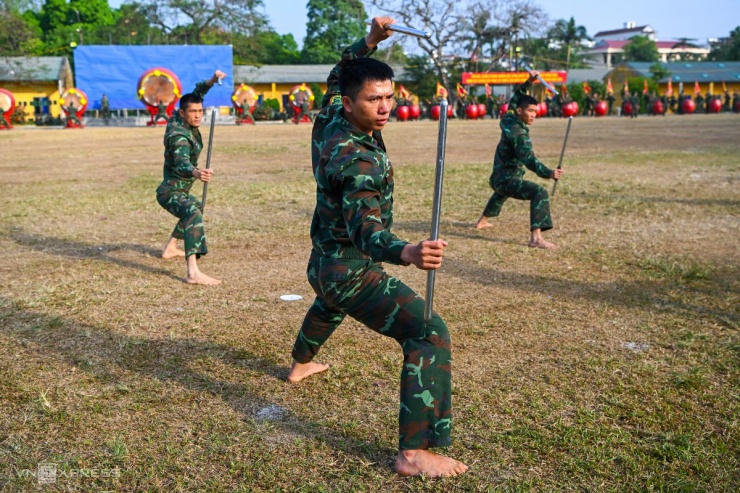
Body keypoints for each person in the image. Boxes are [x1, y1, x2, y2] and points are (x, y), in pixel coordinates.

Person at [286, 17, 468, 478]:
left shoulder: (329, 116)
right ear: (351, 103)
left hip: (325, 262)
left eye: (390, 97)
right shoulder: (357, 159)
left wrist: (369, 41)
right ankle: (415, 452)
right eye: (374, 99)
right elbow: (367, 232)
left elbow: (338, 73)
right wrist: (406, 251)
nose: (385, 107)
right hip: (349, 268)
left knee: (328, 302)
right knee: (428, 333)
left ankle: (300, 365)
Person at [474, 71, 564, 249]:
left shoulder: (508, 118)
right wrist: (549, 173)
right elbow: (529, 160)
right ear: (520, 111)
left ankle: (481, 222)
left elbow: (516, 98)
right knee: (539, 193)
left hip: (498, 178)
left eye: (535, 112)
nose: (533, 115)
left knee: (502, 192)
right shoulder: (519, 134)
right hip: (507, 180)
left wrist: (529, 81)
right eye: (530, 111)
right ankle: (536, 238)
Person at [156, 70, 226, 285]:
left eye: (200, 111)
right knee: (192, 212)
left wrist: (212, 81)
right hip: (170, 191)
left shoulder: (181, 114)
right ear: (182, 113)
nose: (198, 115)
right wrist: (197, 172)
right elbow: (182, 163)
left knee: (197, 205)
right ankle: (192, 272)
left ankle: (170, 248)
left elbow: (197, 92)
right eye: (193, 112)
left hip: (181, 189)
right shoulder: (179, 136)